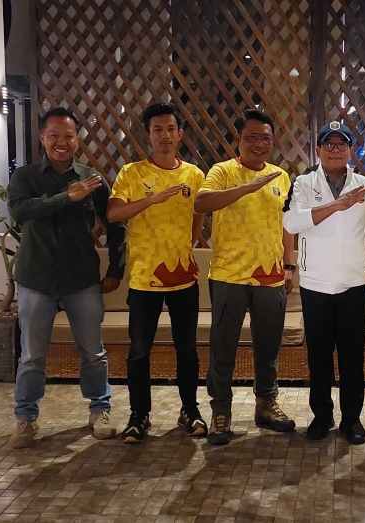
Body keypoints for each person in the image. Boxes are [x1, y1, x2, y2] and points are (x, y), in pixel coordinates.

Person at [7, 107, 125, 448]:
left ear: (77, 139)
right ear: (42, 138)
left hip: (81, 279)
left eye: (69, 136)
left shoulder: (92, 178)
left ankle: (100, 409)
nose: (62, 142)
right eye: (54, 136)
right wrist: (65, 197)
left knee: (93, 352)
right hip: (36, 279)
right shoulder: (25, 177)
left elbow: (115, 224)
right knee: (32, 356)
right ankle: (26, 418)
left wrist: (116, 269)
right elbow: (20, 212)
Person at [194, 109, 296, 445]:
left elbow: (287, 224)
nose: (259, 144)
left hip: (270, 277)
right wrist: (247, 187)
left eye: (265, 138)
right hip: (229, 276)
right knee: (223, 347)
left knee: (268, 347)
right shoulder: (223, 171)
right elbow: (202, 203)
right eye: (251, 137)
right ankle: (220, 410)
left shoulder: (281, 176)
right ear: (238, 140)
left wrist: (289, 265)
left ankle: (266, 404)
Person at [107, 103, 207, 443]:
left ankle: (190, 410)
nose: (164, 135)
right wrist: (151, 200)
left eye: (170, 129)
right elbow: (114, 214)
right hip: (143, 279)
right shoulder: (132, 173)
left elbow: (197, 216)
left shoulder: (194, 175)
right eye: (157, 130)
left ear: (180, 134)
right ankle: (139, 415)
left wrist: (188, 244)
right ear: (148, 135)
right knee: (139, 350)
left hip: (184, 278)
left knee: (187, 349)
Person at [282, 121, 365, 445]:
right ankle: (322, 417)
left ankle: (352, 420)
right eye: (329, 144)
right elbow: (292, 222)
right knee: (319, 356)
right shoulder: (304, 183)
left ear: (350, 150)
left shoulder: (364, 185)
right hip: (315, 284)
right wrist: (338, 205)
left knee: (352, 357)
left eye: (341, 144)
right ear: (319, 150)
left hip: (353, 283)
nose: (335, 149)